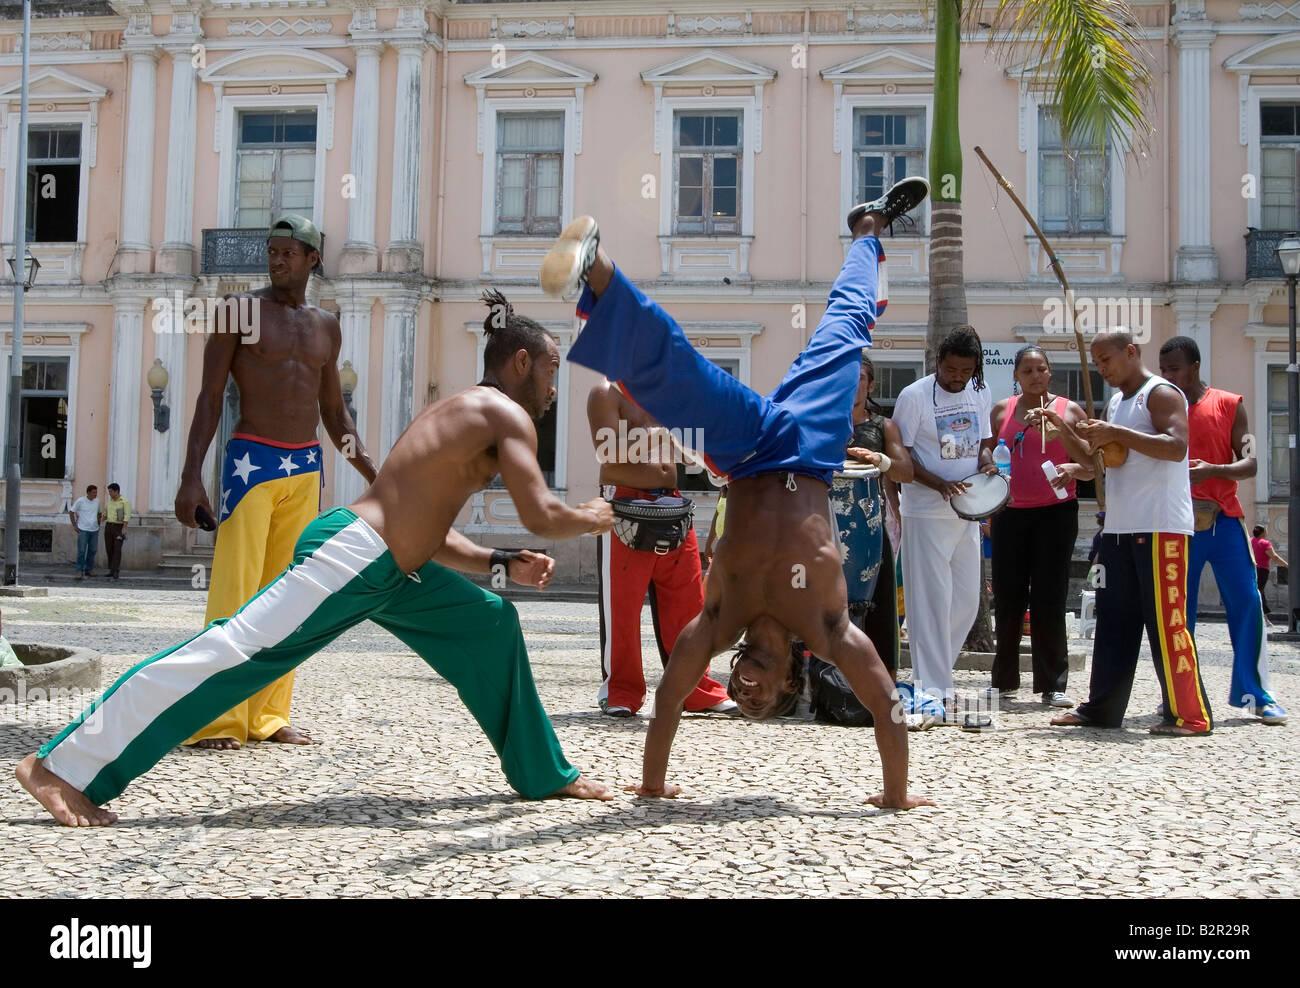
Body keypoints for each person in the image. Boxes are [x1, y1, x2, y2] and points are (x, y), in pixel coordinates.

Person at [15, 291, 615, 826]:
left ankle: (543, 773)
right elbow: (540, 513)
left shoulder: (463, 412)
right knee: (230, 652)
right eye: (551, 370)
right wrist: (600, 514)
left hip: (388, 566)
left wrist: (498, 563)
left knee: (491, 621)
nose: (554, 387)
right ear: (520, 362)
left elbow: (424, 533)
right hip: (353, 554)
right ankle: (60, 764)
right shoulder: (504, 415)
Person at [540, 176, 934, 809]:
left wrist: (651, 784)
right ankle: (868, 230)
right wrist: (896, 797)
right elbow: (887, 705)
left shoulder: (721, 618)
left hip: (747, 450)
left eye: (742, 699)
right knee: (846, 327)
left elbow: (671, 694)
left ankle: (601, 272)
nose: (746, 692)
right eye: (761, 698)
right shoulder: (829, 627)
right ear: (789, 683)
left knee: (683, 377)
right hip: (809, 449)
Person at [174, 215, 378, 751]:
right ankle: (217, 719)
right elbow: (209, 398)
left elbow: (335, 413)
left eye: (289, 252)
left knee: (290, 598)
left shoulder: (327, 326)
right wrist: (190, 477)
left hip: (305, 467)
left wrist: (376, 474)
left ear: (313, 259)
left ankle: (267, 716)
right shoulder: (238, 311)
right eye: (272, 251)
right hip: (251, 464)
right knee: (235, 595)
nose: (277, 260)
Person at [1050, 330, 1213, 736]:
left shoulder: (1162, 393)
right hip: (1120, 527)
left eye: (1107, 360)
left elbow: (1177, 447)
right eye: (1098, 362)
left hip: (1161, 526)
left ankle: (1190, 715)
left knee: (1167, 622)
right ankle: (1102, 708)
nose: (1102, 369)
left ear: (1130, 352)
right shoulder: (1118, 402)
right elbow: (1098, 463)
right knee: (1113, 621)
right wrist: (1062, 431)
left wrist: (1117, 433)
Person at [1158, 336, 1287, 725]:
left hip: (1226, 520)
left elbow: (1250, 466)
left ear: (1195, 366)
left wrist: (1212, 470)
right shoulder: (1160, 410)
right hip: (1176, 522)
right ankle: (1182, 698)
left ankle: (1256, 694)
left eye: (1175, 369)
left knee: (1247, 603)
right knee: (1181, 612)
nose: (1168, 376)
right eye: (1163, 370)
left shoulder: (1231, 404)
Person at [587, 380, 735, 717]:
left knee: (690, 604)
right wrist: (667, 432)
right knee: (621, 608)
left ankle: (696, 688)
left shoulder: (667, 390)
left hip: (672, 501)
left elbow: (691, 451)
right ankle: (621, 691)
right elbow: (607, 450)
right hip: (623, 502)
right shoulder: (605, 392)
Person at [891, 327, 997, 712]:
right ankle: (933, 688)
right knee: (930, 602)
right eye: (950, 369)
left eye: (965, 371)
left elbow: (985, 438)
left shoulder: (981, 391)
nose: (957, 377)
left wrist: (986, 461)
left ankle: (935, 676)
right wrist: (938, 483)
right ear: (938, 362)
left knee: (968, 601)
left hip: (967, 511)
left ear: (975, 369)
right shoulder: (914, 396)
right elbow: (899, 455)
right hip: (924, 511)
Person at [985, 345, 1091, 708]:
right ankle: (1003, 681)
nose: (1034, 376)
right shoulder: (1003, 410)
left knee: (1049, 597)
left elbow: (1092, 464)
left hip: (1056, 514)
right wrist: (988, 467)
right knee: (1008, 596)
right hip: (1010, 512)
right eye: (1027, 370)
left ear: (1050, 373)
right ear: (1016, 375)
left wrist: (1064, 439)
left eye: (1041, 369)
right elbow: (987, 452)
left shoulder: (1070, 411)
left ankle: (1052, 683)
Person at [844, 350, 913, 674]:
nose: (851, 384)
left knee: (878, 602)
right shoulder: (823, 423)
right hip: (825, 525)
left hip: (872, 526)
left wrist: (878, 460)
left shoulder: (884, 426)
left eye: (858, 378)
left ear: (870, 385)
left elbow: (905, 471)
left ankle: (881, 681)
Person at [1251, 524, 1287, 622]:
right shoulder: (1264, 543)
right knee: (1259, 591)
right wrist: (1287, 565)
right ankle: (1263, 617)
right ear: (1263, 533)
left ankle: (1264, 617)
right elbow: (1274, 557)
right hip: (1262, 570)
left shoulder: (1250, 541)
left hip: (1251, 569)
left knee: (1258, 590)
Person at [67, 485, 100, 581]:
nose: (95, 494)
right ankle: (79, 571)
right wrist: (74, 525)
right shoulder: (80, 501)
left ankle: (89, 569)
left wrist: (97, 522)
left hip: (94, 529)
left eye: (96, 492)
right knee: (81, 551)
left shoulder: (97, 502)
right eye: (94, 492)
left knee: (93, 550)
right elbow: (71, 512)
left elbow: (99, 513)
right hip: (83, 529)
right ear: (88, 492)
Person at [101, 483, 130, 580]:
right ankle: (111, 570)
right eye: (109, 491)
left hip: (119, 527)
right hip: (109, 526)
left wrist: (124, 528)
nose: (109, 493)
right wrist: (100, 520)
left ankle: (116, 570)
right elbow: (105, 514)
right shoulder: (109, 502)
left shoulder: (124, 501)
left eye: (110, 491)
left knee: (117, 549)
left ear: (116, 491)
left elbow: (126, 515)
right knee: (109, 549)